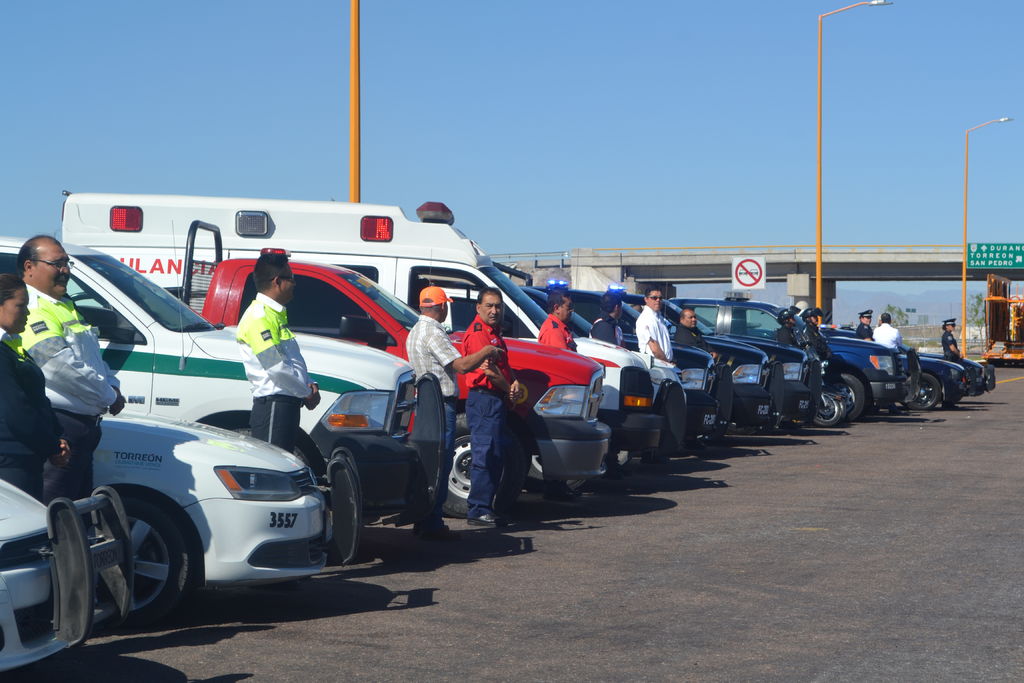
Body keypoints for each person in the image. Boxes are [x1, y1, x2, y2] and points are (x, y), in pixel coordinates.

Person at [19, 236, 123, 503]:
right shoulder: (32, 308)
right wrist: (108, 395)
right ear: (30, 267)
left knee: (77, 509)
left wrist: (112, 384)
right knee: (55, 513)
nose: (65, 270)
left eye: (67, 263)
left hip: (82, 426)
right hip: (60, 426)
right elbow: (59, 366)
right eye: (57, 263)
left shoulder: (65, 306)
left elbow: (91, 358)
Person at [406, 286, 503, 540]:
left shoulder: (415, 331)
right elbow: (460, 366)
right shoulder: (434, 333)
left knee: (431, 462)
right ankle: (432, 522)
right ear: (441, 307)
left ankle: (427, 518)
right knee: (442, 461)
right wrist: (485, 352)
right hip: (442, 403)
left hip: (427, 404)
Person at [236, 250, 320, 453]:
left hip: (285, 405)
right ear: (277, 281)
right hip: (274, 406)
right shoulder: (259, 317)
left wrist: (306, 384)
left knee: (280, 470)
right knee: (270, 474)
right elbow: (276, 366)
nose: (294, 283)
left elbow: (290, 361)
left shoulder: (273, 315)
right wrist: (306, 393)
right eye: (291, 278)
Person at [0, 275, 70, 501]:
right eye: (21, 306)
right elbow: (17, 411)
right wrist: (51, 445)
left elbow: (37, 398)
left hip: (26, 458)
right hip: (11, 462)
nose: (28, 314)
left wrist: (57, 436)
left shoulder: (10, 344)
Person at [461, 287, 522, 527]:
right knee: (484, 455)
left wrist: (514, 381)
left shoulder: (494, 333)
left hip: (494, 400)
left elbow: (503, 366)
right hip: (484, 399)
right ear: (478, 308)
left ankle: (486, 507)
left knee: (495, 455)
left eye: (498, 306)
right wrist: (509, 388)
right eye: (489, 305)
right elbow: (488, 370)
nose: (494, 310)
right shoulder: (479, 335)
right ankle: (478, 509)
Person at [635, 286, 673, 362]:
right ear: (646, 299)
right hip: (655, 364)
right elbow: (654, 348)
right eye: (654, 298)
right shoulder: (645, 319)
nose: (658, 300)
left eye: (660, 298)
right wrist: (667, 364)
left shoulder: (659, 318)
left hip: (664, 363)